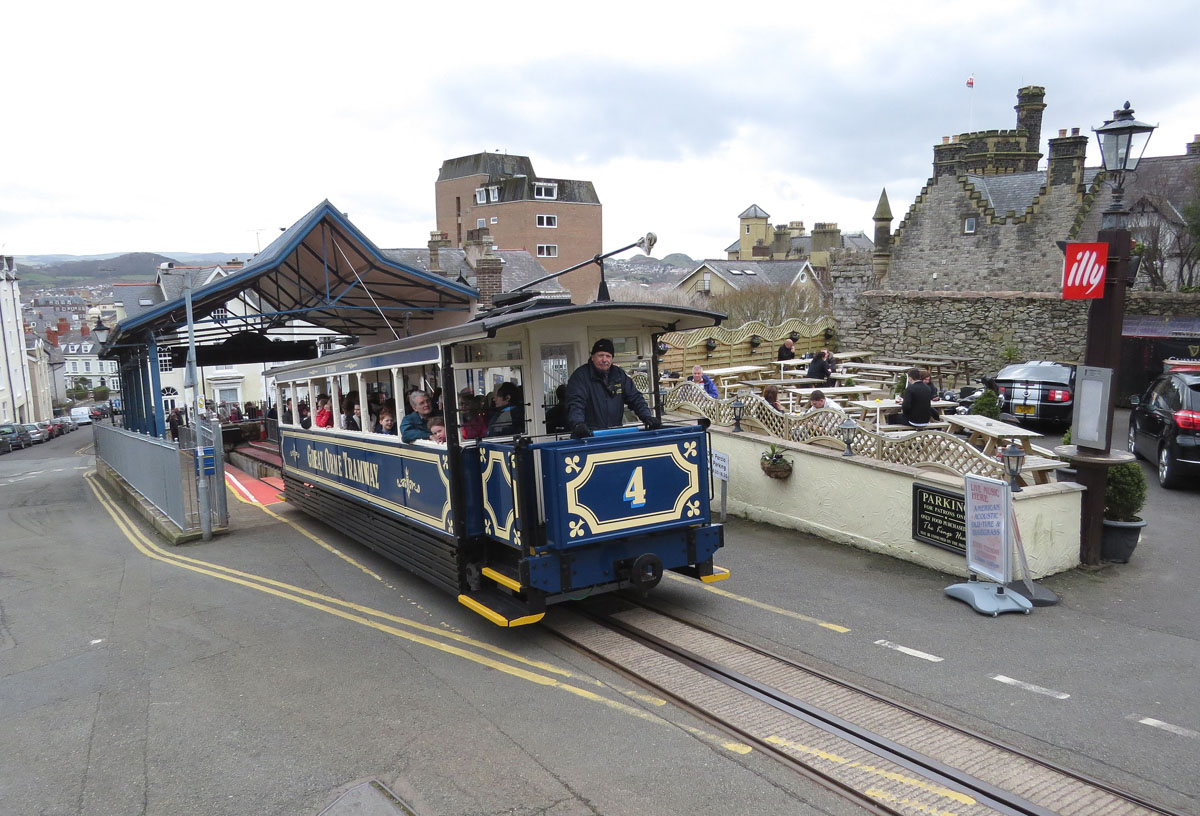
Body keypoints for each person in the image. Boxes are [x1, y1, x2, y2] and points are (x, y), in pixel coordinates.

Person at [565, 338, 659, 437]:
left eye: (608, 356)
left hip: (615, 433)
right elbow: (575, 402)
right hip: (589, 436)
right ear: (592, 357)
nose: (604, 360)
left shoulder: (619, 375)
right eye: (600, 355)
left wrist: (647, 416)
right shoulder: (580, 376)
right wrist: (578, 423)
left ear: (612, 359)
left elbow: (635, 397)